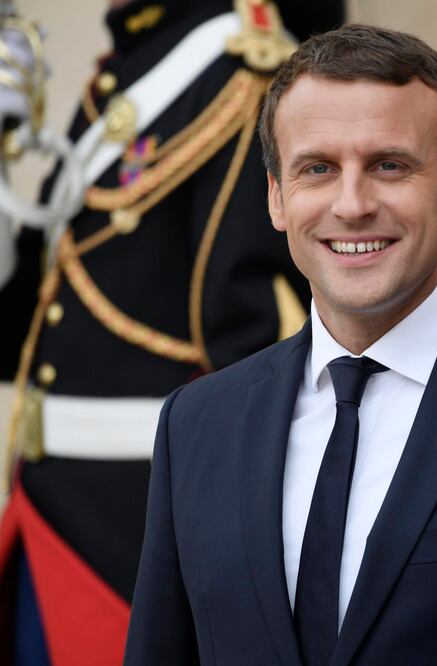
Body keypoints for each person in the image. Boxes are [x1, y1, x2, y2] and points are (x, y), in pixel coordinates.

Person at [123, 24, 437, 665]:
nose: (352, 205)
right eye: (318, 169)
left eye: (389, 166)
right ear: (276, 196)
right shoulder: (197, 423)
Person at [0, 1, 344, 663]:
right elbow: (16, 328)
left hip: (138, 539)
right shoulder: (129, 69)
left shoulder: (237, 69)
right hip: (46, 514)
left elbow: (259, 349)